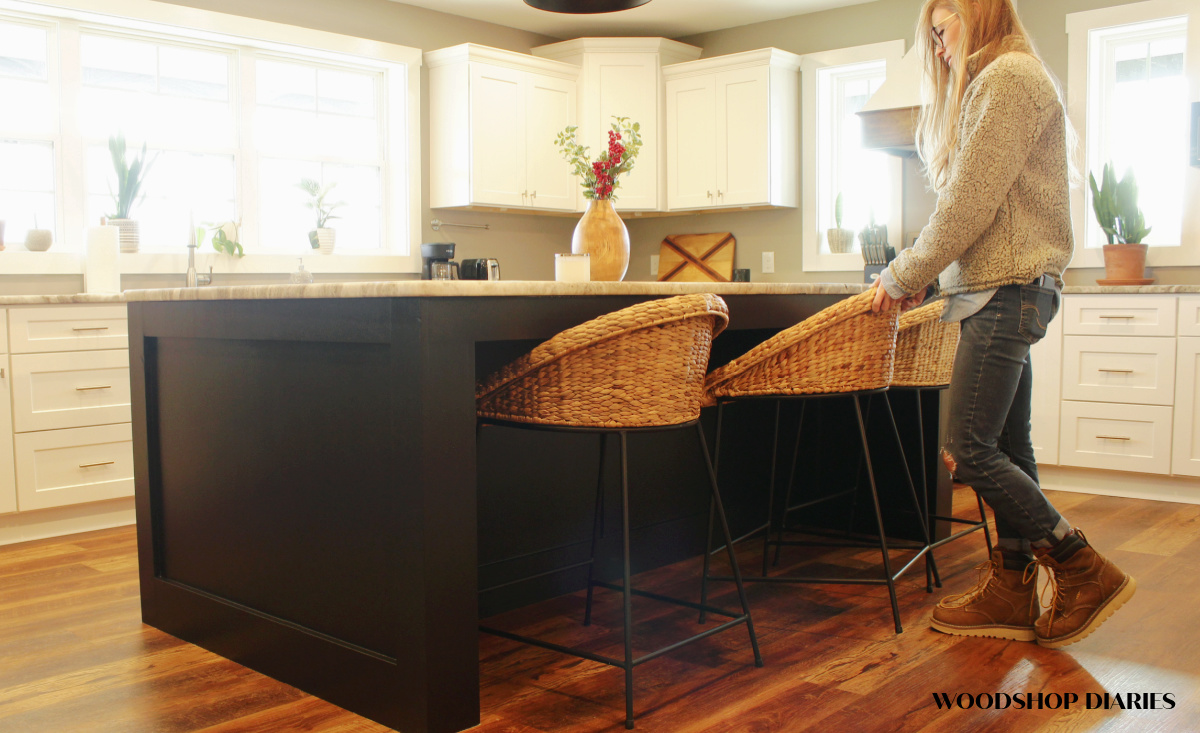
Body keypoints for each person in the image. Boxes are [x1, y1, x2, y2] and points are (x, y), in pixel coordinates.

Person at [870, 0, 1135, 648]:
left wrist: (902, 274)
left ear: (976, 12)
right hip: (1002, 289)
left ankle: (1079, 565)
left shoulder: (1007, 78)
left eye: (943, 29)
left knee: (968, 444)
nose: (937, 47)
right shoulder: (1006, 78)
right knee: (1009, 448)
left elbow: (968, 204)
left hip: (1004, 288)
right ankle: (1013, 587)